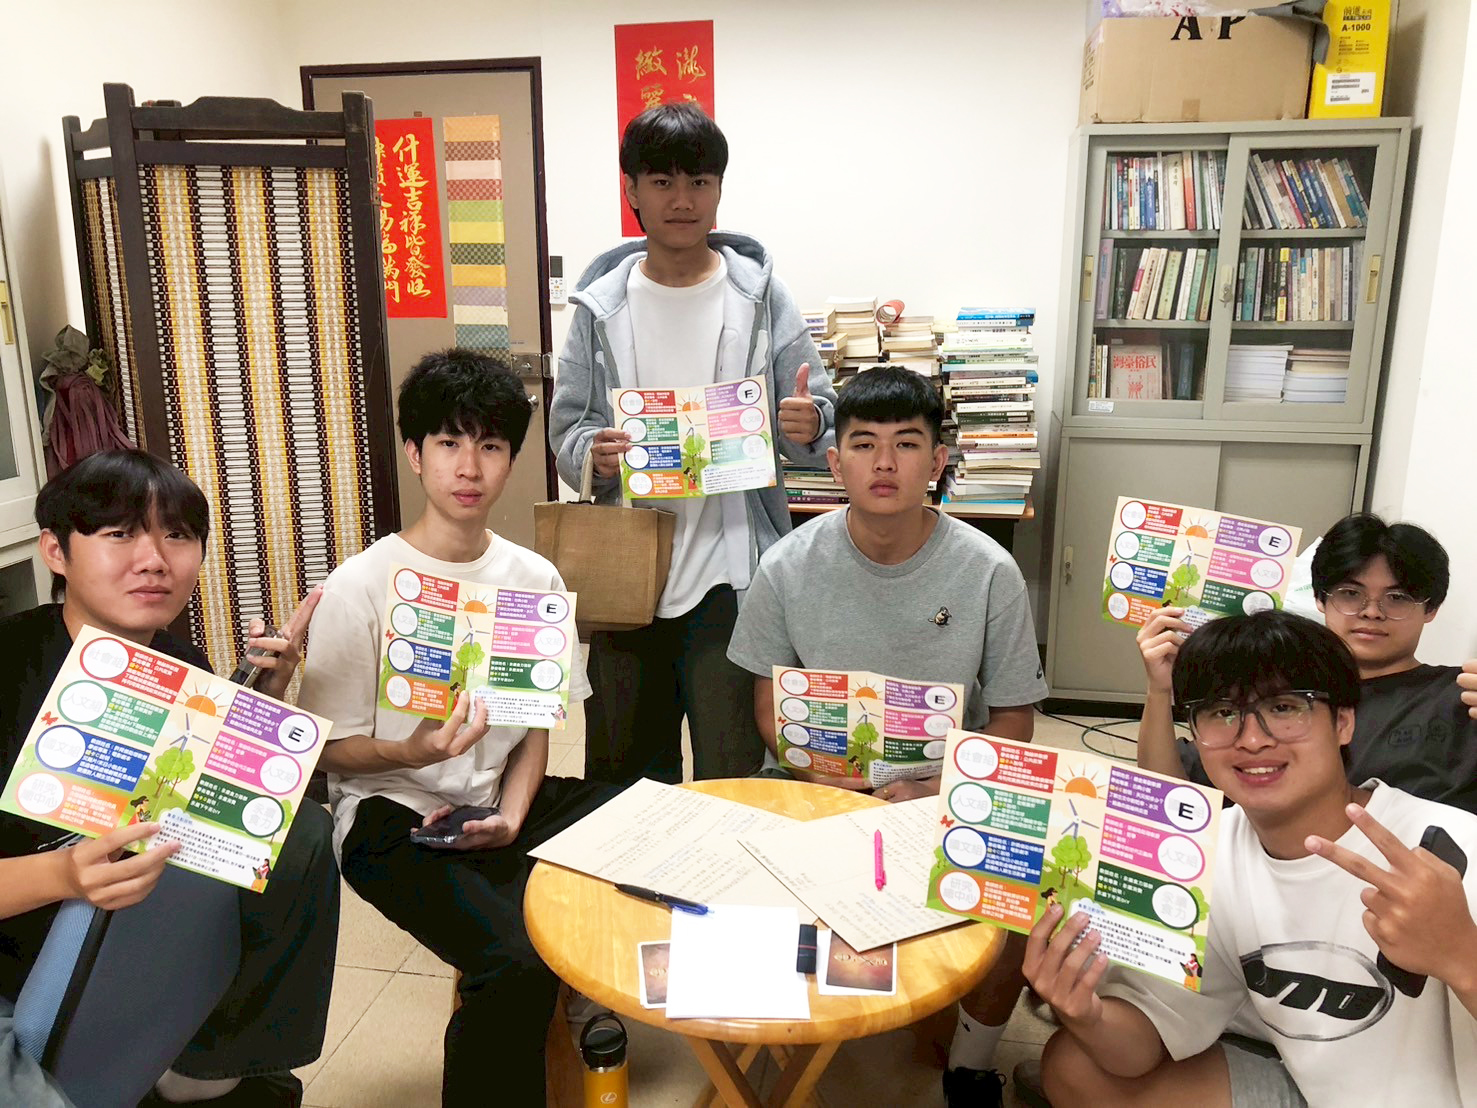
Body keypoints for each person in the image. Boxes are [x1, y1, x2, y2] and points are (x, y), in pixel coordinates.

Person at [300, 349, 613, 1107]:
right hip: (390, 814)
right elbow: (326, 751)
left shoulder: (534, 579)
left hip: (495, 798)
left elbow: (535, 727)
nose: (469, 467)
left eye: (491, 445)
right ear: (415, 453)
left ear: (510, 460)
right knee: (513, 961)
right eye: (448, 442)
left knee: (647, 814)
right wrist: (412, 749)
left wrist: (512, 814)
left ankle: (587, 980)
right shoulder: (361, 584)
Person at [726, 367, 1047, 1107]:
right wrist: (817, 775)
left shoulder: (989, 572)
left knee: (1022, 888)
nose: (884, 463)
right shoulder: (786, 564)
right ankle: (775, 1018)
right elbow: (768, 703)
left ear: (937, 461)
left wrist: (935, 789)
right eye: (864, 443)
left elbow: (1013, 721)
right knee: (726, 871)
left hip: (939, 790)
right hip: (811, 783)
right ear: (833, 461)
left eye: (906, 443)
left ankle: (971, 1065)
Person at [1026, 609, 1477, 1104]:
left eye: (1284, 707)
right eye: (1222, 713)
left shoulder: (1452, 848)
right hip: (1315, 1091)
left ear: (1343, 722)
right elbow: (1140, 1048)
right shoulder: (1211, 856)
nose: (1253, 739)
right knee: (1073, 1064)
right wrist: (1082, 1010)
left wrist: (1462, 956)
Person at [0, 449, 336, 1107]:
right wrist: (62, 875)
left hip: (136, 947)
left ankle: (213, 1062)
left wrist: (259, 706)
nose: (155, 559)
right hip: (21, 956)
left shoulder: (182, 667)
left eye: (177, 535)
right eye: (120, 532)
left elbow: (208, 824)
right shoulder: (10, 666)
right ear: (55, 551)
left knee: (302, 833)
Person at [548, 101, 839, 787]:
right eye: (662, 182)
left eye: (699, 182)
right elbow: (569, 429)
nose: (682, 200)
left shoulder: (760, 298)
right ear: (632, 191)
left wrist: (809, 424)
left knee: (731, 774)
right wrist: (593, 455)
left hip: (731, 574)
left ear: (718, 190)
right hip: (625, 575)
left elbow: (817, 418)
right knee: (622, 779)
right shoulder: (600, 307)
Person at [1136, 513, 1477, 814]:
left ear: (1431, 608)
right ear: (1319, 598)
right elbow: (1168, 797)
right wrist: (1159, 690)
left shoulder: (1459, 696)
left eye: (1397, 597)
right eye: (1350, 593)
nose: (1372, 611)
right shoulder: (1271, 691)